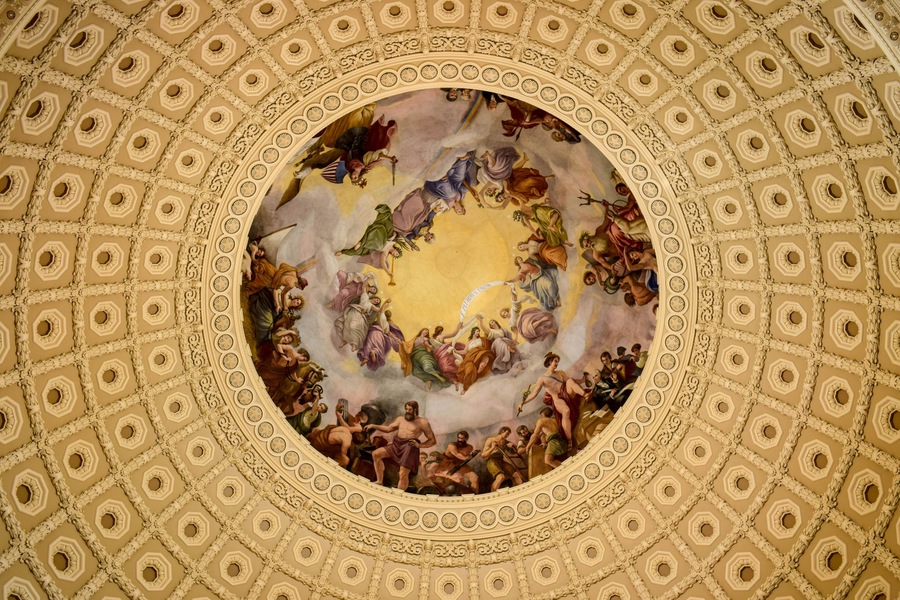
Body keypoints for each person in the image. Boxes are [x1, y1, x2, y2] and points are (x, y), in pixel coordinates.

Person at [518, 353, 586, 448]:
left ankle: (585, 395)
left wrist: (582, 380)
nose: (557, 363)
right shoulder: (542, 379)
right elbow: (534, 394)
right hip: (557, 399)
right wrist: (522, 403)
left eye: (558, 361)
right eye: (555, 361)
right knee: (566, 411)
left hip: (567, 394)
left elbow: (571, 382)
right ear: (550, 361)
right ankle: (569, 440)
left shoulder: (560, 372)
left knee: (570, 381)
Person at [366, 401, 437, 492]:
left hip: (409, 447)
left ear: (415, 410)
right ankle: (380, 481)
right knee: (376, 454)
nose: (407, 411)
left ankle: (399, 494)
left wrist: (419, 445)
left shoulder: (423, 422)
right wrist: (373, 425)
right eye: (406, 409)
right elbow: (388, 429)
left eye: (410, 409)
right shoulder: (400, 419)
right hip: (396, 445)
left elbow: (432, 440)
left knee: (403, 473)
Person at [481, 427, 524, 492]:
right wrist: (492, 448)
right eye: (507, 433)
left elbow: (513, 452)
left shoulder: (505, 442)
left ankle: (520, 492)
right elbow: (483, 455)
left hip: (501, 461)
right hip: (491, 461)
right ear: (502, 431)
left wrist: (513, 446)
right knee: (501, 477)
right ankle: (493, 495)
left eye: (509, 434)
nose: (508, 435)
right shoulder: (491, 440)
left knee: (516, 475)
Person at [455, 326, 496, 394]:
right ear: (473, 332)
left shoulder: (482, 339)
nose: (478, 332)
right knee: (469, 370)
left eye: (479, 331)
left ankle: (479, 371)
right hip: (471, 357)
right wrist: (456, 351)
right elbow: (465, 351)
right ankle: (465, 388)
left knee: (485, 360)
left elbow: (489, 342)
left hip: (481, 353)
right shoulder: (469, 342)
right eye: (477, 331)